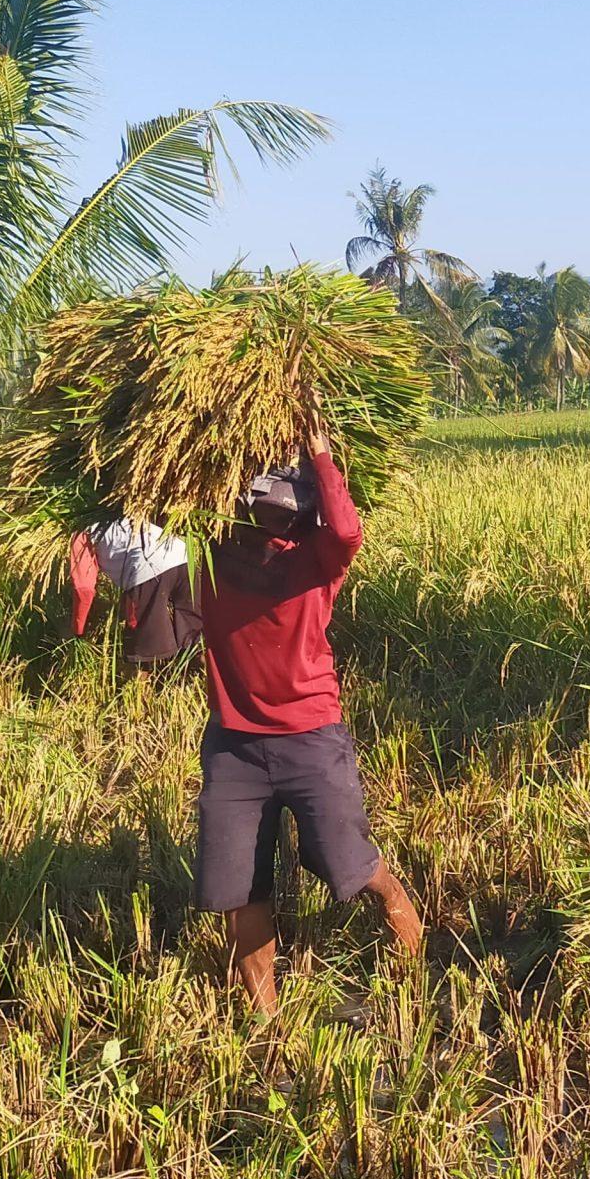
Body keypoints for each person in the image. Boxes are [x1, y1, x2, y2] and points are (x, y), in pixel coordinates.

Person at [194, 421, 424, 1015]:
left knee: (350, 865)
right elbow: (156, 503)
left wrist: (319, 449)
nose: (266, 520)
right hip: (234, 747)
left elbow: (348, 528)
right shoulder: (212, 554)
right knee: (242, 888)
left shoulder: (317, 561)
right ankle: (267, 1022)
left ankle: (412, 977)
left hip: (312, 739)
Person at [69, 517, 202, 670]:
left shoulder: (82, 534)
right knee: (195, 637)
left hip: (147, 567)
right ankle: (208, 681)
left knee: (141, 652)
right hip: (183, 557)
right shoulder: (126, 515)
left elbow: (83, 588)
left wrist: (78, 630)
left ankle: (137, 690)